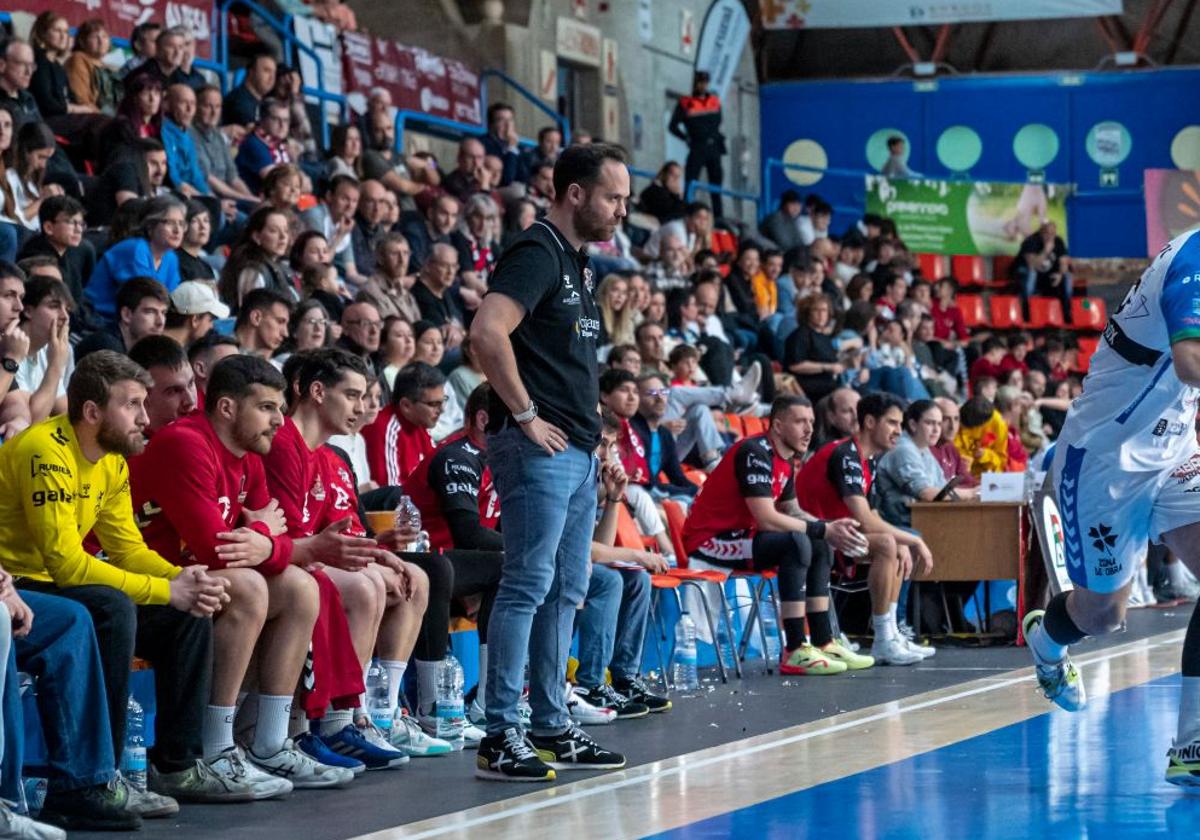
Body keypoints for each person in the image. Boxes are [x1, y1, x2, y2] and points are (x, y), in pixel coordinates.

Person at [0, 350, 260, 803]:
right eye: (132, 404)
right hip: (18, 582)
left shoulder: (113, 458)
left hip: (56, 580)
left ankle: (177, 766)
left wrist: (183, 579)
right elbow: (66, 564)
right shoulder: (45, 451)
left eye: (144, 403)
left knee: (188, 615)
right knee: (112, 608)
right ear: (92, 412)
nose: (145, 417)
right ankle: (103, 774)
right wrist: (165, 589)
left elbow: (127, 549)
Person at [469, 142, 629, 781]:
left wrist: (599, 434)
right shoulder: (536, 252)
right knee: (528, 585)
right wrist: (527, 415)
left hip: (579, 451)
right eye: (613, 197)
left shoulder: (582, 266)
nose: (621, 210)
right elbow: (486, 332)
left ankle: (551, 724)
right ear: (575, 194)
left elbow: (570, 364)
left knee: (567, 588)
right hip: (538, 450)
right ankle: (500, 732)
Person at [1019, 228, 1200, 790]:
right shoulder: (1193, 258)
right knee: (1104, 615)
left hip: (1175, 452)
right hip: (1104, 461)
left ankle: (1192, 745)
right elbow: (1191, 361)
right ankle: (1046, 640)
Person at [129, 350, 351, 789]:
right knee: (250, 587)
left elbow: (276, 536)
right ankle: (215, 750)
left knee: (299, 587)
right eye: (267, 408)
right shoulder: (185, 442)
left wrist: (267, 540)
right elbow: (219, 550)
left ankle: (269, 741)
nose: (279, 421)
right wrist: (272, 539)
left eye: (281, 410)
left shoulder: (250, 457)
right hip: (139, 578)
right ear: (227, 407)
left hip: (190, 576)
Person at [263, 348, 421, 770]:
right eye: (351, 395)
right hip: (277, 565)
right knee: (361, 586)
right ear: (317, 391)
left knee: (399, 577)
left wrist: (378, 551)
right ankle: (324, 723)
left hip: (296, 557)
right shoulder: (285, 445)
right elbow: (292, 538)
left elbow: (334, 533)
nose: (360, 407)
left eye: (363, 396)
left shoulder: (319, 452)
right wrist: (367, 558)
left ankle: (364, 715)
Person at [683, 394, 873, 674]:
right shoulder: (755, 451)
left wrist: (830, 529)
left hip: (744, 538)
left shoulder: (785, 459)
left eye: (810, 422)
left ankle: (822, 641)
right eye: (799, 422)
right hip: (711, 540)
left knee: (819, 543)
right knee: (797, 542)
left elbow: (793, 511)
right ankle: (794, 648)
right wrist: (822, 527)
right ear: (778, 425)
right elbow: (767, 517)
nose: (808, 430)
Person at [797, 392, 936, 665]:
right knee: (887, 543)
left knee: (894, 543)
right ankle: (883, 639)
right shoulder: (845, 453)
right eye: (892, 423)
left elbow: (870, 514)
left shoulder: (869, 460)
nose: (898, 431)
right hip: (812, 533)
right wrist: (915, 541)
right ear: (870, 422)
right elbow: (863, 519)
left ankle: (891, 634)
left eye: (900, 424)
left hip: (838, 533)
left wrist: (905, 541)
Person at [85, 195, 184, 323]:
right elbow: (144, 298)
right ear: (150, 226)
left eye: (181, 224)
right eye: (169, 222)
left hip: (138, 323)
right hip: (97, 320)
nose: (177, 230)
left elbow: (170, 301)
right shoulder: (135, 249)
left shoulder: (171, 257)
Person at [362, 361, 442, 486]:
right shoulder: (384, 428)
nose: (441, 410)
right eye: (433, 404)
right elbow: (390, 492)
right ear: (406, 405)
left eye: (442, 402)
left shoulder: (420, 425)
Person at [12, 273, 73, 424]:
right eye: (54, 306)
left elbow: (64, 413)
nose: (64, 316)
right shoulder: (9, 346)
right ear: (28, 311)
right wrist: (56, 366)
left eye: (67, 309)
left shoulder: (50, 349)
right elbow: (30, 421)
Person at [16, 195, 93, 306]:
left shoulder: (73, 252)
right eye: (71, 222)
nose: (79, 229)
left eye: (81, 224)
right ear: (49, 228)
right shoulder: (36, 259)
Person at [669, 71, 725, 219]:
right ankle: (686, 212)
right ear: (695, 83)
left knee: (716, 185)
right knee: (691, 181)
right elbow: (672, 126)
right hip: (697, 146)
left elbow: (719, 121)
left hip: (714, 148)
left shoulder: (714, 101)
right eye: (700, 82)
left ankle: (719, 217)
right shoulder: (685, 103)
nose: (703, 85)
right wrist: (686, 138)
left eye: (705, 82)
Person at [191, 86, 259, 205]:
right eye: (208, 106)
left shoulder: (218, 136)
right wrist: (247, 199)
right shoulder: (190, 135)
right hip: (208, 201)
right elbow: (209, 179)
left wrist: (252, 200)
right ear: (195, 107)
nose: (214, 112)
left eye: (218, 106)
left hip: (229, 198)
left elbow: (233, 178)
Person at [74, 276, 167, 361]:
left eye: (163, 313)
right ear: (126, 315)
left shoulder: (142, 350)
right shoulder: (106, 347)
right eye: (150, 312)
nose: (160, 322)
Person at [218, 207, 295, 308]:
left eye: (285, 230)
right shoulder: (253, 271)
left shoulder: (282, 268)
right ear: (257, 237)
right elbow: (252, 315)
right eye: (274, 231)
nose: (283, 236)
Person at [1013, 221, 1072, 317]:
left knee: (1067, 276)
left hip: (1045, 275)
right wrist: (1046, 251)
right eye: (1047, 233)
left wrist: (1060, 275)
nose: (1050, 237)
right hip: (1023, 273)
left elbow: (1064, 262)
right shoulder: (1031, 241)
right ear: (1040, 232)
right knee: (1032, 273)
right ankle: (1026, 311)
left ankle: (1066, 312)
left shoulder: (1058, 241)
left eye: (1053, 233)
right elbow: (1032, 265)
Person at [235, 99, 293, 194]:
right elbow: (277, 182)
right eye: (276, 119)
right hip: (254, 204)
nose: (282, 125)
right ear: (262, 120)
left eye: (286, 120)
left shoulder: (281, 144)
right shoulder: (254, 143)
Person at [64, 19, 120, 115]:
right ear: (82, 41)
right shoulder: (78, 58)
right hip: (89, 119)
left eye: (105, 36)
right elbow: (81, 100)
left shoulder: (109, 67)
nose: (101, 41)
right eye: (94, 36)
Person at [234, 288, 292, 360]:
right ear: (256, 318)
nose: (286, 333)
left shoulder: (276, 367)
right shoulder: (221, 354)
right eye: (280, 322)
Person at [223, 51, 276, 128]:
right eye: (266, 71)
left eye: (274, 73)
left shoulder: (262, 101)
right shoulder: (240, 101)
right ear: (251, 72)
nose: (272, 78)